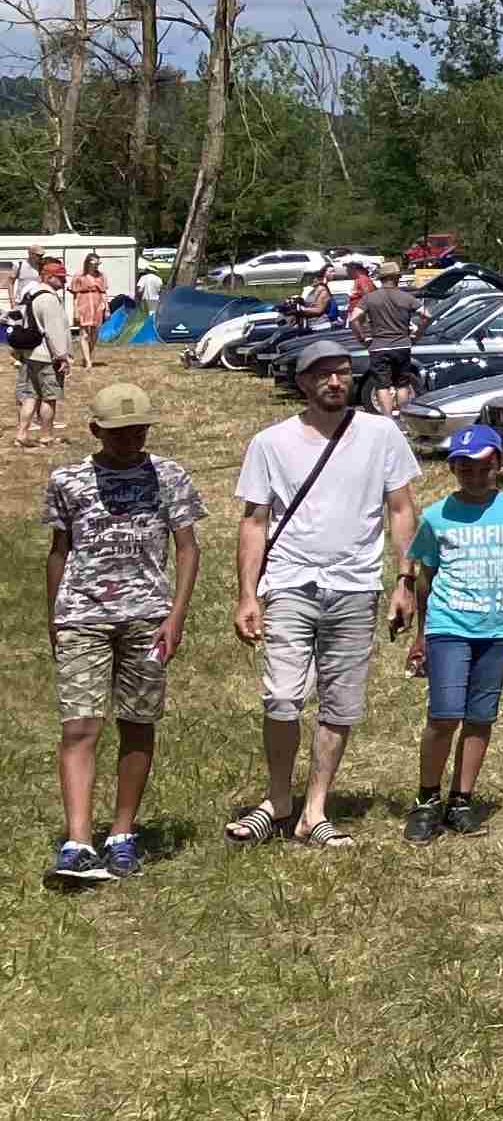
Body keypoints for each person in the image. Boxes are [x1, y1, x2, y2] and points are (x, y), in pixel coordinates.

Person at [228, 342, 423, 849]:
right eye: (322, 375)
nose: (335, 382)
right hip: (290, 583)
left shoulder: (381, 434)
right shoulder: (270, 443)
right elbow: (254, 521)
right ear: (302, 383)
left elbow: (401, 509)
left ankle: (314, 810)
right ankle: (278, 800)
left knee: (341, 702)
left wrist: (405, 581)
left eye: (342, 373)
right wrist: (247, 595)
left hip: (356, 587)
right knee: (282, 697)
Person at [42, 381, 203, 889]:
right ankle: (78, 841)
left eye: (139, 431)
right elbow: (59, 551)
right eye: (119, 433)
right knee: (79, 726)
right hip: (82, 616)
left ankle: (122, 833)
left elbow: (187, 548)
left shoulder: (169, 476)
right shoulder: (68, 480)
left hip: (147, 618)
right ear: (95, 430)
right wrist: (55, 617)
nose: (131, 440)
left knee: (137, 721)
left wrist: (175, 616)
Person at [390, 425, 503, 843]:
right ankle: (427, 800)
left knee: (481, 717)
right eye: (464, 468)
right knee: (444, 714)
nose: (474, 475)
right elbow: (425, 578)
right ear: (452, 469)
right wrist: (421, 636)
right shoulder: (436, 516)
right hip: (448, 626)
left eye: (483, 467)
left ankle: (461, 800)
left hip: (496, 629)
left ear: (498, 464)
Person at [12, 252, 73, 450]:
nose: (64, 281)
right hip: (47, 357)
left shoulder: (32, 294)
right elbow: (54, 331)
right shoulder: (48, 299)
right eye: (60, 277)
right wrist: (62, 357)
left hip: (31, 355)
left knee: (30, 396)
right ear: (48, 277)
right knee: (49, 397)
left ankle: (21, 434)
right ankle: (46, 436)